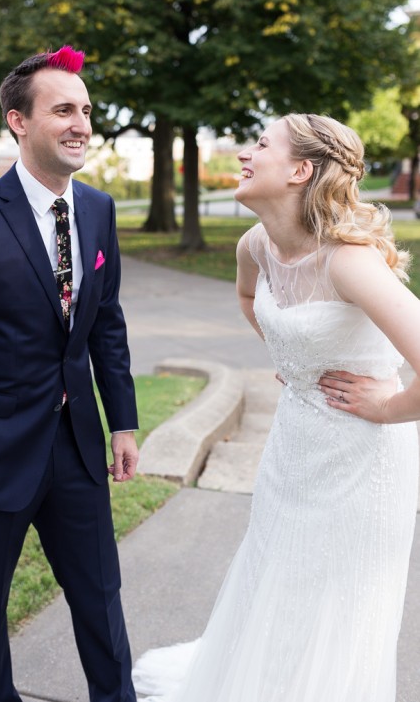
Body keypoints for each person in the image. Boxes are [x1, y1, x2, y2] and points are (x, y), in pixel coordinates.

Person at [133, 113, 419, 702]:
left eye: (260, 144)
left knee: (338, 596)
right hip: (295, 444)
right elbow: (248, 298)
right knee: (277, 570)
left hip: (366, 461)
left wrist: (387, 406)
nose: (244, 153)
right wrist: (292, 356)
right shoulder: (256, 244)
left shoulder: (349, 261)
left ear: (300, 170)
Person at [0, 46, 140, 702]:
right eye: (64, 109)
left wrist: (121, 420)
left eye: (87, 111)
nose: (82, 124)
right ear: (18, 120)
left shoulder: (97, 209)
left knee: (100, 591)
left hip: (76, 445)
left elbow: (106, 322)